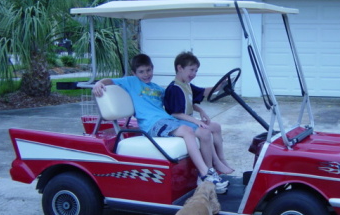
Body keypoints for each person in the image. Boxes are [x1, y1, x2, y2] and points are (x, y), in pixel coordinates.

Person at [92, 53, 228, 192]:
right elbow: (110, 80)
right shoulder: (131, 82)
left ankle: (211, 170)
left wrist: (199, 109)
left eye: (148, 70)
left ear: (152, 69)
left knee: (205, 131)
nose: (146, 74)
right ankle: (204, 173)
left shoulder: (157, 89)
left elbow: (173, 102)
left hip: (168, 121)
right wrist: (99, 83)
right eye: (141, 72)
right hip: (152, 124)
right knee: (187, 131)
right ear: (134, 73)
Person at [164, 51, 234, 176]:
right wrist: (196, 121)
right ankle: (209, 169)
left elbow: (203, 93)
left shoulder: (186, 85)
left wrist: (220, 86)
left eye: (196, 71)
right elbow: (175, 113)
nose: (194, 74)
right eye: (191, 70)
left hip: (187, 120)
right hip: (177, 122)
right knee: (205, 132)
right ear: (180, 68)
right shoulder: (174, 88)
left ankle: (221, 160)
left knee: (216, 127)